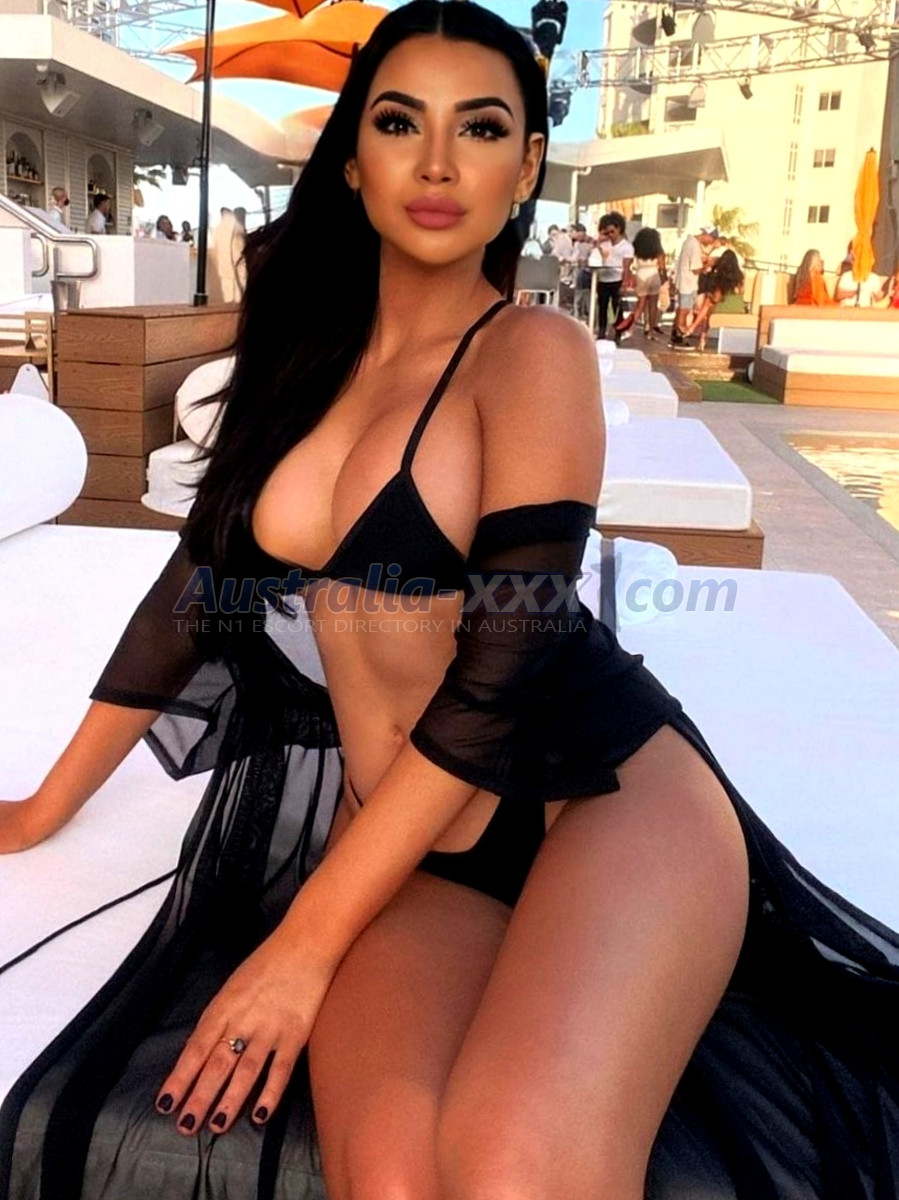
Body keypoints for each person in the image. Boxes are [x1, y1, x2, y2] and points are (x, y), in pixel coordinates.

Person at [0, 4, 897, 1198]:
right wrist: (42, 807)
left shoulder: (530, 353)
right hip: (410, 846)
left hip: (601, 802)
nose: (434, 163)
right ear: (352, 162)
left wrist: (303, 945)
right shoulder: (295, 354)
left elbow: (501, 667)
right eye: (396, 122)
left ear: (523, 168)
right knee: (389, 1179)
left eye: (478, 128)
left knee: (515, 1167)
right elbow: (193, 593)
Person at [683, 248, 745, 351]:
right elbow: (741, 292)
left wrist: (709, 294)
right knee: (708, 303)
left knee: (707, 303)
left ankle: (698, 335)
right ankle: (693, 329)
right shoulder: (741, 278)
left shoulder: (721, 277)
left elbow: (716, 299)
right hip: (739, 310)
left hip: (724, 311)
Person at [614, 225, 666, 339]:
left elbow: (629, 263)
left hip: (641, 274)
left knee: (640, 304)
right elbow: (662, 264)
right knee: (653, 305)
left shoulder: (636, 248)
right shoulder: (657, 249)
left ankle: (630, 328)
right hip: (654, 274)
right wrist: (664, 278)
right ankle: (650, 331)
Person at [671, 223, 718, 345]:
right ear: (707, 235)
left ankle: (675, 334)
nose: (711, 242)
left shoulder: (689, 242)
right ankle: (680, 335)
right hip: (688, 283)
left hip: (684, 281)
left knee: (682, 309)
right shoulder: (695, 246)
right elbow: (696, 269)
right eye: (712, 239)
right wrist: (708, 265)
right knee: (684, 310)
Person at [593, 210, 633, 340]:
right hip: (603, 279)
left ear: (619, 229)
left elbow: (626, 267)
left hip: (617, 279)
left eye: (612, 232)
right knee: (602, 307)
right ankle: (602, 331)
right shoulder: (605, 244)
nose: (610, 235)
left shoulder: (627, 247)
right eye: (607, 232)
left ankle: (618, 332)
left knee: (617, 308)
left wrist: (624, 284)